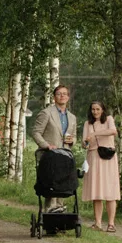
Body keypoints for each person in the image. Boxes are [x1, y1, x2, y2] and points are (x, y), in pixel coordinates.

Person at [31, 85, 77, 213]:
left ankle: (60, 212)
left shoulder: (72, 117)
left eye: (64, 94)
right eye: (59, 94)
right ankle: (50, 211)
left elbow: (74, 137)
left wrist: (72, 140)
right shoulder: (47, 113)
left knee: (63, 184)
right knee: (51, 185)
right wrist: (46, 145)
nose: (62, 96)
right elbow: (36, 132)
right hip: (50, 156)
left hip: (65, 157)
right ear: (54, 97)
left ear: (68, 97)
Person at [82, 101, 121, 231]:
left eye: (98, 109)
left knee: (111, 190)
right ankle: (98, 223)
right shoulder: (87, 124)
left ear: (103, 110)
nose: (95, 112)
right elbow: (84, 143)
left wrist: (95, 134)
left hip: (108, 157)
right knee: (97, 190)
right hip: (93, 156)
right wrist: (86, 142)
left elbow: (113, 131)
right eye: (93, 109)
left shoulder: (109, 119)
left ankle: (111, 223)